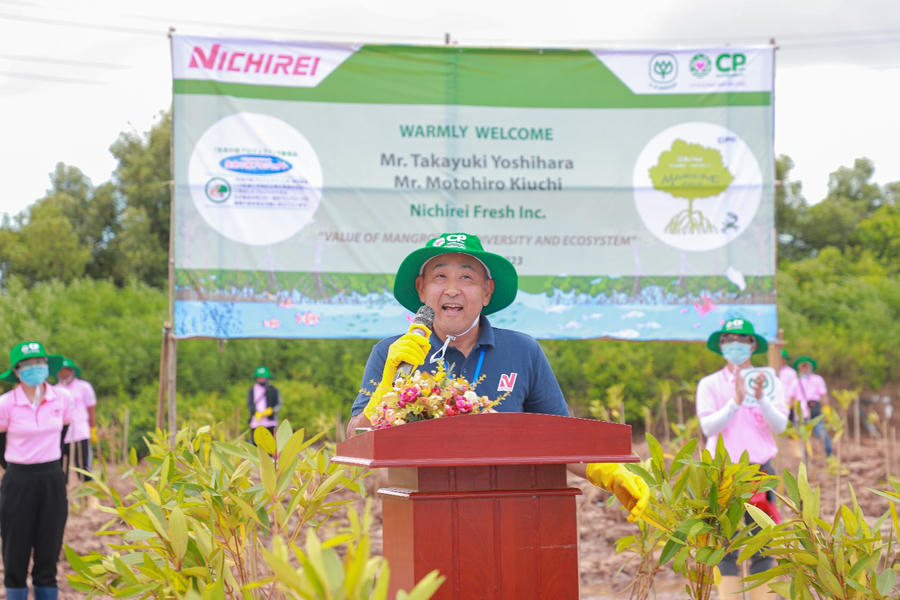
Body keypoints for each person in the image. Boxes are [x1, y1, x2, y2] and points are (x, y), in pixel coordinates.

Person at [347, 232, 648, 522]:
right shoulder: (392, 353)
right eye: (440, 277)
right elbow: (356, 439)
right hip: (422, 519)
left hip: (513, 517)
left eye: (466, 278)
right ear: (421, 289)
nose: (452, 289)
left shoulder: (523, 350)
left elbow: (561, 442)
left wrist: (607, 471)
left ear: (487, 291)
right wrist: (387, 385)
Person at [696, 319, 788, 600]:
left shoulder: (769, 381)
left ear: (753, 345)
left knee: (763, 543)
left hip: (759, 472)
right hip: (722, 472)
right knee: (724, 545)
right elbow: (708, 427)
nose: (734, 344)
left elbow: (780, 425)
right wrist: (735, 401)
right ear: (721, 345)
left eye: (741, 339)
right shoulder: (710, 384)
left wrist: (761, 398)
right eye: (728, 339)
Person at [0, 341, 73, 600]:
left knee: (48, 555)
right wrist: (12, 467)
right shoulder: (6, 403)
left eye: (39, 363)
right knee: (15, 556)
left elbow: (63, 433)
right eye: (28, 365)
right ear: (17, 372)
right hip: (18, 481)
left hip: (52, 479)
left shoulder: (62, 398)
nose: (35, 368)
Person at [57, 357, 97, 482]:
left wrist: (93, 429)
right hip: (62, 436)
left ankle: (90, 499)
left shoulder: (84, 387)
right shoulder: (55, 390)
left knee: (84, 470)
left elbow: (91, 409)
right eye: (61, 371)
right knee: (61, 472)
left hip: (80, 434)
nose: (63, 373)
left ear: (72, 371)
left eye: (66, 370)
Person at [794, 355, 832, 458]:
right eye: (803, 366)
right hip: (801, 415)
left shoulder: (818, 379)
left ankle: (828, 456)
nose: (805, 368)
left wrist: (826, 410)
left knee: (823, 435)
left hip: (815, 412)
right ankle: (806, 462)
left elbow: (823, 395)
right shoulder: (795, 381)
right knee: (803, 441)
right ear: (799, 368)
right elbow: (791, 398)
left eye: (807, 366)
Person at [248, 366, 281, 441]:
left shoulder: (273, 389)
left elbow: (278, 404)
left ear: (267, 378)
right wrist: (255, 412)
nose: (261, 379)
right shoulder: (252, 389)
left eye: (263, 377)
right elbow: (250, 404)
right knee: (256, 445)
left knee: (271, 446)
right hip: (256, 422)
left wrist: (271, 411)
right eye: (259, 377)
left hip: (270, 423)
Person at [777, 348, 800, 424]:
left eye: (781, 358)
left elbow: (794, 390)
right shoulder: (771, 371)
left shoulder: (791, 372)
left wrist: (790, 404)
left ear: (784, 359)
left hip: (787, 404)